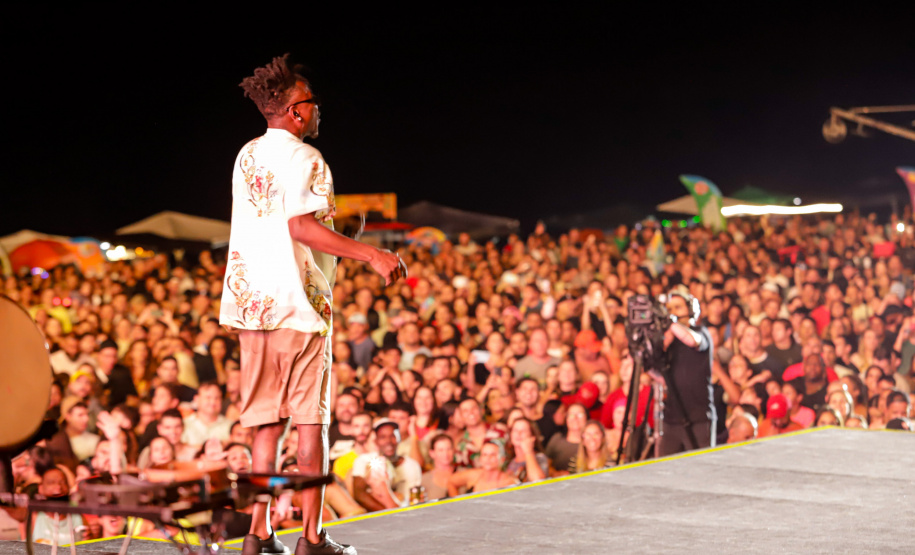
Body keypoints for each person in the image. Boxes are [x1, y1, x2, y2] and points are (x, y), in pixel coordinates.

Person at [225, 55, 404, 555]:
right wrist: (371, 253)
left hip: (251, 308)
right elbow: (299, 228)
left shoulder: (246, 155)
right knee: (309, 425)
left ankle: (258, 536)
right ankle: (310, 537)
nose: (319, 109)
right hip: (298, 310)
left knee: (263, 427)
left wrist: (338, 239)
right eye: (313, 102)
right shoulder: (308, 160)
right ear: (296, 112)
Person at [659, 291, 716, 456]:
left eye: (677, 307)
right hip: (672, 418)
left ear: (691, 310)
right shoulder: (669, 339)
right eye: (669, 309)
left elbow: (692, 340)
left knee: (702, 467)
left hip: (698, 417)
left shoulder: (701, 332)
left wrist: (671, 323)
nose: (673, 312)